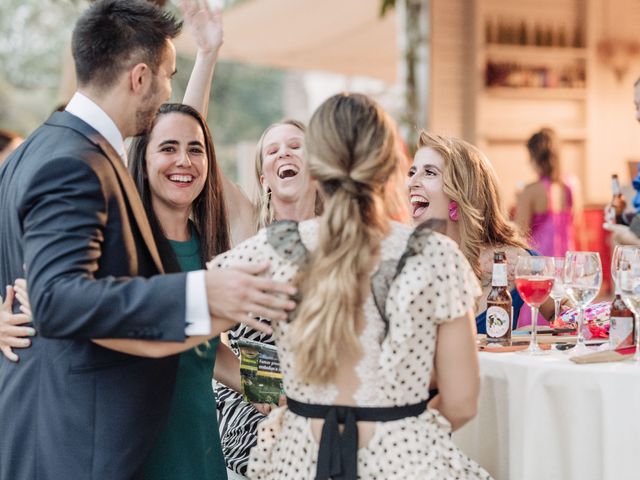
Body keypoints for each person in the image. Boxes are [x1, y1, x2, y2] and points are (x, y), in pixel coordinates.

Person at [0, 1, 295, 479]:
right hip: (91, 443)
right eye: (167, 76)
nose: (167, 91)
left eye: (195, 149)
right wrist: (203, 293)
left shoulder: (41, 150)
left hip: (130, 439)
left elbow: (39, 283)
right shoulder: (75, 163)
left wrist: (274, 390)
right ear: (139, 77)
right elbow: (56, 297)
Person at [210, 92, 491, 479]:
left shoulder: (273, 249)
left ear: (316, 168)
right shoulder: (435, 255)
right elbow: (461, 402)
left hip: (301, 461)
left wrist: (266, 395)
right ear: (394, 163)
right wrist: (398, 435)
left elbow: (185, 329)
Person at [407, 132, 554, 333]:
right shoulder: (405, 262)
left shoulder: (516, 263)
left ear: (462, 191)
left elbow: (572, 321)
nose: (412, 182)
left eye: (429, 172)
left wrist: (529, 334)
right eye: (412, 172)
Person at [514, 127, 577, 257]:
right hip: (567, 261)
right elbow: (575, 222)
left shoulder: (530, 191)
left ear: (535, 157)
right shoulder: (573, 185)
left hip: (540, 264)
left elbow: (520, 233)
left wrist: (519, 201)